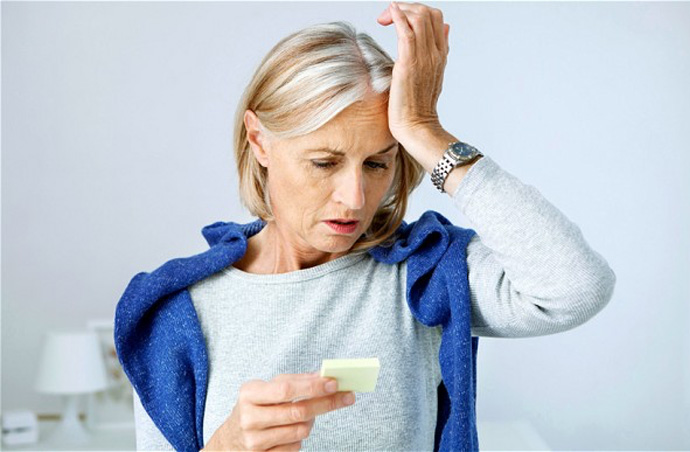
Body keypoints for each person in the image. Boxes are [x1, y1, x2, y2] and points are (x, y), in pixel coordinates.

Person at [117, 2, 616, 451]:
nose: (355, 199)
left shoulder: (424, 276)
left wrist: (425, 130)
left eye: (378, 164)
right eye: (324, 162)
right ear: (259, 140)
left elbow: (575, 287)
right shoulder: (179, 311)